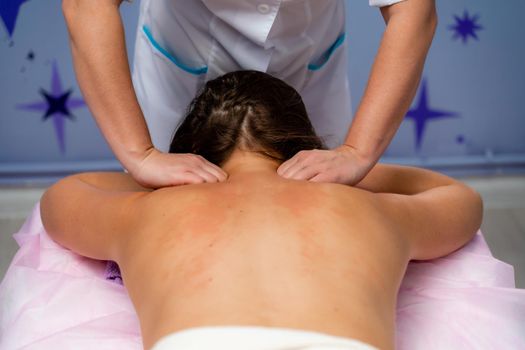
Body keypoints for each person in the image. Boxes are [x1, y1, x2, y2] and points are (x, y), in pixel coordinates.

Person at [40, 71, 482, 350]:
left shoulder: (148, 209)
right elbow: (459, 198)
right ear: (306, 148)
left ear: (193, 154)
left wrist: (151, 172)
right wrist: (352, 170)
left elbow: (62, 199)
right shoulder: (366, 207)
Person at [61, 0, 437, 189]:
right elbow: (85, 4)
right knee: (171, 198)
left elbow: (413, 10)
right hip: (186, 52)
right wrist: (139, 155)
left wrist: (359, 152)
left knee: (320, 191)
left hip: (304, 53)